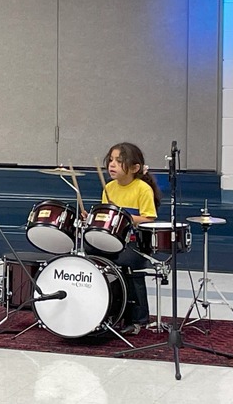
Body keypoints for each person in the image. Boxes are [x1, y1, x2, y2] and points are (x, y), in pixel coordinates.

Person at [86, 142, 162, 335]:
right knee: (91, 255)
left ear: (135, 168)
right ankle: (107, 310)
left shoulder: (142, 189)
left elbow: (149, 217)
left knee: (126, 262)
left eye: (119, 162)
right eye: (110, 160)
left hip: (135, 243)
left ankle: (137, 318)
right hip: (113, 241)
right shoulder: (109, 188)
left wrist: (124, 217)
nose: (112, 165)